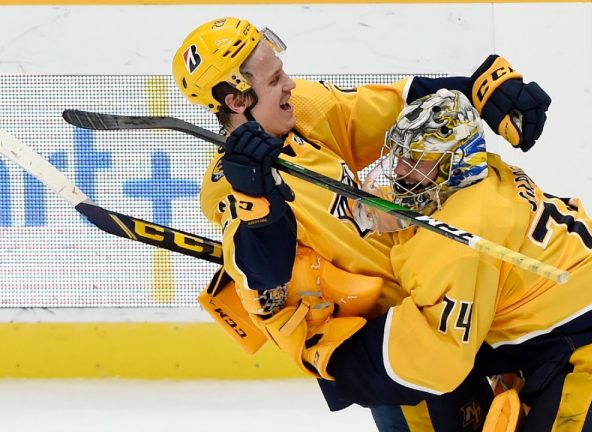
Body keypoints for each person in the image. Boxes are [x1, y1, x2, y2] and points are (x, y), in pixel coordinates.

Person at [171, 17, 552, 431]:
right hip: (387, 345)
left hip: (436, 314)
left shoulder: (300, 113)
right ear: (237, 100)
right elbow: (264, 279)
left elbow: (392, 106)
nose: (291, 85)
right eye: (276, 78)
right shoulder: (230, 186)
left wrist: (478, 89)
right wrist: (257, 200)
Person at [311, 89, 592, 431]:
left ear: (456, 163)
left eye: (418, 160)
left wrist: (339, 365)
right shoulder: (487, 172)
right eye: (401, 156)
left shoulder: (461, 237)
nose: (402, 171)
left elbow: (437, 355)